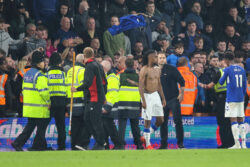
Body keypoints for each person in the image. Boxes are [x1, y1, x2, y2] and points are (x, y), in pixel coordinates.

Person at [11, 51, 51, 151]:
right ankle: (39, 147)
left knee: (30, 128)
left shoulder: (27, 74)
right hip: (39, 108)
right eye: (43, 62)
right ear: (38, 63)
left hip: (29, 107)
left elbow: (23, 90)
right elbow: (44, 92)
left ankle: (18, 143)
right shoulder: (40, 75)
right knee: (41, 129)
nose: (44, 64)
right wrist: (49, 102)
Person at [71, 47, 107, 150]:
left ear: (84, 56)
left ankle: (100, 143)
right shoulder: (99, 66)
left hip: (93, 98)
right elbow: (105, 82)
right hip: (96, 98)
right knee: (88, 119)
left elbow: (87, 83)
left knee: (94, 121)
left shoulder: (90, 66)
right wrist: (103, 95)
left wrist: (76, 89)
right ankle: (85, 143)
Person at [139, 50, 166, 149]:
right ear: (150, 57)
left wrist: (163, 98)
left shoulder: (157, 69)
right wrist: (143, 100)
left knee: (161, 120)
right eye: (155, 57)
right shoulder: (144, 70)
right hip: (147, 95)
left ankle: (146, 135)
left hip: (155, 95)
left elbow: (159, 84)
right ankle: (147, 144)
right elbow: (140, 86)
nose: (156, 58)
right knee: (148, 120)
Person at [219, 53, 247, 149]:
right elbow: (245, 86)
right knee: (241, 119)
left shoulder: (227, 69)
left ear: (226, 60)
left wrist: (225, 74)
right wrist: (242, 95)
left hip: (231, 98)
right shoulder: (242, 70)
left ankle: (237, 144)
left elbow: (221, 82)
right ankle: (244, 144)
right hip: (241, 98)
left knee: (233, 119)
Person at [160, 52, 185, 149]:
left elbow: (182, 81)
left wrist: (181, 94)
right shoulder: (154, 70)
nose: (162, 59)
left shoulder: (171, 69)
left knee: (177, 121)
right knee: (163, 122)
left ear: (166, 59)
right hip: (162, 101)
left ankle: (180, 143)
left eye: (163, 57)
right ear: (157, 59)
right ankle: (163, 144)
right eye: (160, 58)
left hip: (174, 99)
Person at [118, 58, 143, 149]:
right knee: (135, 126)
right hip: (134, 104)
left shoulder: (120, 76)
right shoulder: (139, 76)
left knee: (122, 126)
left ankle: (120, 145)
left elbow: (116, 89)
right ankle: (139, 144)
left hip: (122, 104)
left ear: (125, 65)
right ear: (134, 65)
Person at [66, 54, 90, 150]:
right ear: (83, 61)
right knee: (83, 125)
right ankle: (80, 145)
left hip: (70, 101)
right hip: (80, 101)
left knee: (75, 126)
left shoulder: (70, 70)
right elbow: (84, 86)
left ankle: (73, 145)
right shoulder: (83, 71)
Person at [101, 60, 122, 150]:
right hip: (108, 105)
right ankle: (107, 145)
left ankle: (118, 144)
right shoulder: (108, 76)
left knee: (109, 126)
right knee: (106, 126)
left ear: (104, 68)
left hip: (110, 106)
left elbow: (112, 94)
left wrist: (107, 107)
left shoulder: (111, 78)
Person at [47, 52, 67, 150]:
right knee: (61, 127)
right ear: (59, 62)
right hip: (62, 103)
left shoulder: (47, 73)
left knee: (43, 126)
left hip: (50, 103)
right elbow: (67, 89)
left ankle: (40, 144)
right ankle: (62, 147)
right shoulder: (63, 74)